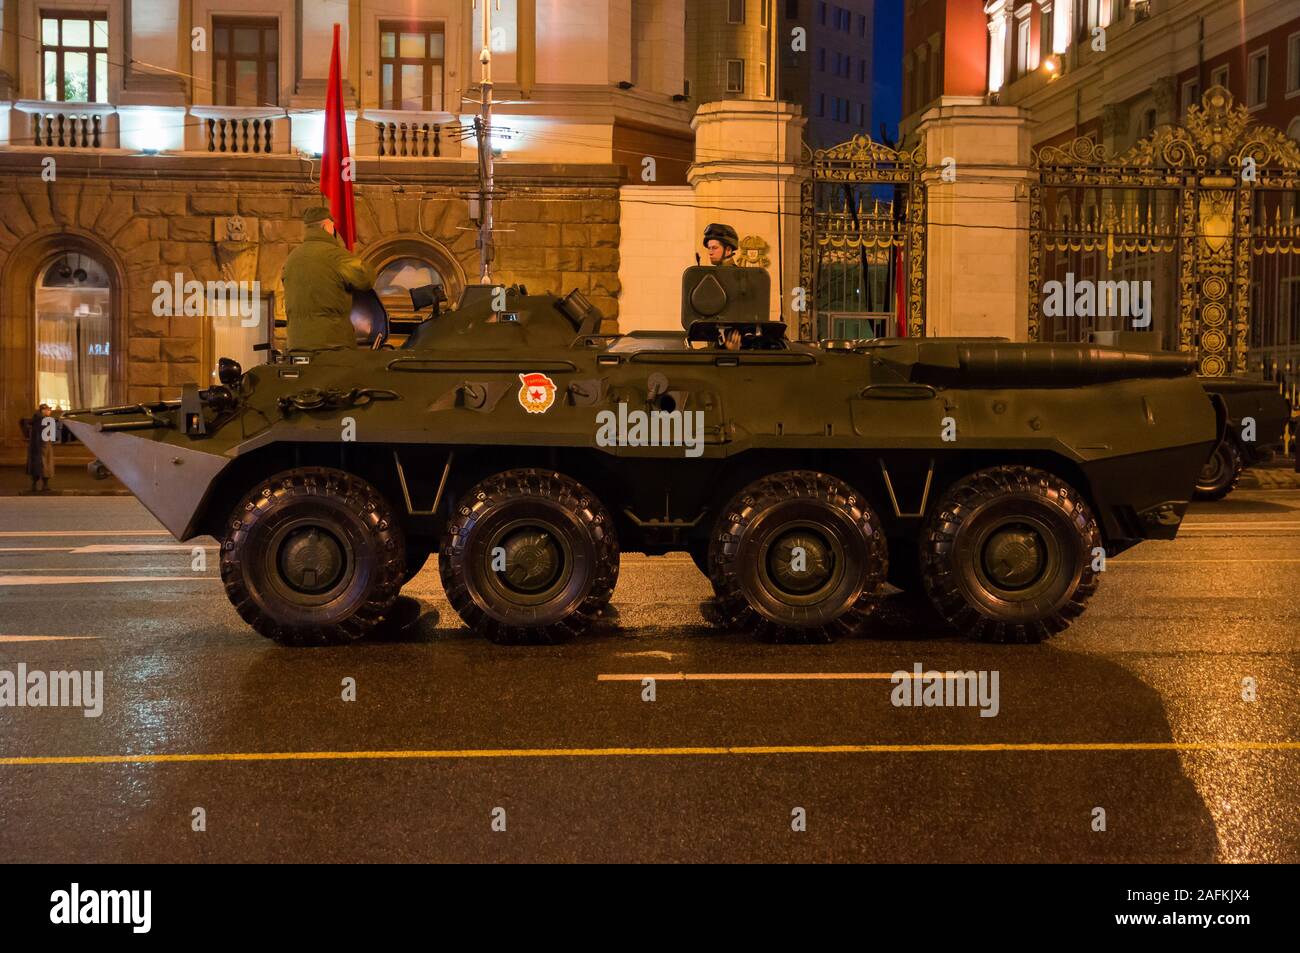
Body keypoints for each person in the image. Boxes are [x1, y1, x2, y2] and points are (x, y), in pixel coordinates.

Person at [282, 207, 375, 350]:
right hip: (332, 344)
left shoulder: (292, 259)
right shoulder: (336, 256)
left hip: (297, 344)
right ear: (326, 226)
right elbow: (366, 279)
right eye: (333, 226)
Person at [701, 223, 742, 349]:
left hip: (735, 343)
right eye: (709, 248)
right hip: (717, 342)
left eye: (714, 248)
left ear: (728, 250)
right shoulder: (713, 278)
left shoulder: (739, 278)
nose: (710, 252)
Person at [25, 404, 55, 493]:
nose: (50, 411)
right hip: (43, 446)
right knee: (45, 465)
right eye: (48, 410)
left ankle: (35, 485)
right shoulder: (45, 420)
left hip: (36, 447)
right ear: (43, 410)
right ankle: (44, 485)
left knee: (36, 465)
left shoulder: (35, 420)